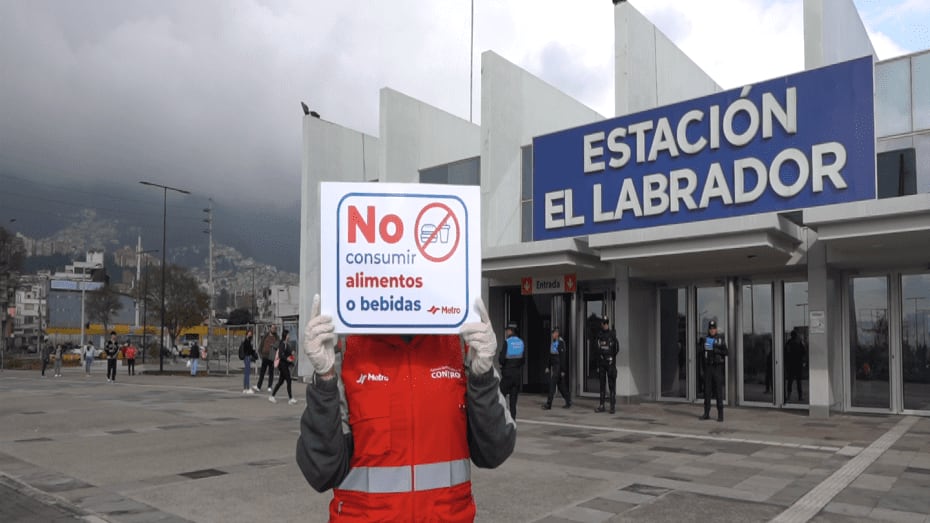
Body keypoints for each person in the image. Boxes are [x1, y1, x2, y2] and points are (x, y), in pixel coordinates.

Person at [296, 295, 516, 522]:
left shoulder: (460, 348)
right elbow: (321, 471)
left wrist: (483, 378)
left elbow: (495, 451)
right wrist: (325, 379)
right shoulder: (347, 353)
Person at [699, 320, 728, 422]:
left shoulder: (720, 339)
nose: (712, 330)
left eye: (714, 328)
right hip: (708, 368)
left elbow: (726, 352)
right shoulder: (706, 339)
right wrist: (702, 369)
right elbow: (702, 355)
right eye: (710, 329)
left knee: (718, 391)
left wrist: (717, 351)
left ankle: (720, 415)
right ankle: (706, 413)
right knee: (707, 392)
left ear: (716, 329)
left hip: (717, 368)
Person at [498, 322, 525, 418]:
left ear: (510, 331)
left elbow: (501, 360)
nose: (506, 332)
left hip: (507, 374)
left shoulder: (507, 342)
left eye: (507, 330)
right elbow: (523, 360)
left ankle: (501, 419)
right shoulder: (521, 342)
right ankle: (513, 421)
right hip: (517, 375)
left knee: (500, 397)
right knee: (513, 403)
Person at [595, 316, 619, 413]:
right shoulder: (600, 334)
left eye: (605, 323)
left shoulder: (612, 334)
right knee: (602, 384)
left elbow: (616, 348)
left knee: (611, 384)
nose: (604, 325)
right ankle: (602, 405)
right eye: (603, 323)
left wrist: (612, 358)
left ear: (607, 323)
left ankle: (612, 407)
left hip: (610, 362)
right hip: (602, 362)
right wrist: (598, 363)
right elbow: (597, 348)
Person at [543, 326, 571, 409]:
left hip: (558, 366)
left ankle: (549, 404)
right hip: (555, 366)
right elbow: (551, 356)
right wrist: (548, 366)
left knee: (552, 384)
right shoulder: (553, 342)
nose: (552, 334)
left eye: (554, 333)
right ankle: (568, 401)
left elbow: (562, 358)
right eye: (552, 333)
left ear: (557, 333)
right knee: (561, 386)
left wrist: (563, 370)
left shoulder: (560, 343)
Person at [269, 330, 296, 404]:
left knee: (280, 382)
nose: (289, 336)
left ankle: (272, 396)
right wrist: (287, 358)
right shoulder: (282, 344)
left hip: (284, 365)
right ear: (285, 336)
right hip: (282, 365)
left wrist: (291, 353)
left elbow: (287, 353)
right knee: (289, 380)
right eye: (288, 335)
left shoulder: (286, 344)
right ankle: (290, 398)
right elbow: (280, 355)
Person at [784, 328, 807, 402]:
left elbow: (785, 353)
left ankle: (788, 395)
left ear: (791, 335)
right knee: (798, 381)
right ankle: (800, 396)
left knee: (790, 381)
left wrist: (786, 363)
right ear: (796, 335)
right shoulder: (799, 342)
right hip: (798, 364)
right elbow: (804, 351)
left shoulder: (788, 343)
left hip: (791, 365)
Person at [256, 324, 280, 392]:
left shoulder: (277, 337)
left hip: (271, 357)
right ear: (270, 328)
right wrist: (260, 353)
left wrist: (274, 346)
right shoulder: (266, 335)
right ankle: (259, 386)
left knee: (271, 372)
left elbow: (278, 346)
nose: (273, 329)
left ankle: (269, 386)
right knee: (262, 372)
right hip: (265, 356)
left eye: (274, 328)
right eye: (272, 328)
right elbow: (261, 344)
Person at [240, 329, 257, 394]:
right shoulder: (246, 341)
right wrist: (253, 353)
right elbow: (248, 350)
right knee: (247, 374)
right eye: (249, 334)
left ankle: (245, 388)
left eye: (251, 334)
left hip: (247, 357)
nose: (250, 335)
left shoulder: (247, 341)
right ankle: (247, 388)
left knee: (246, 373)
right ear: (247, 334)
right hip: (247, 357)